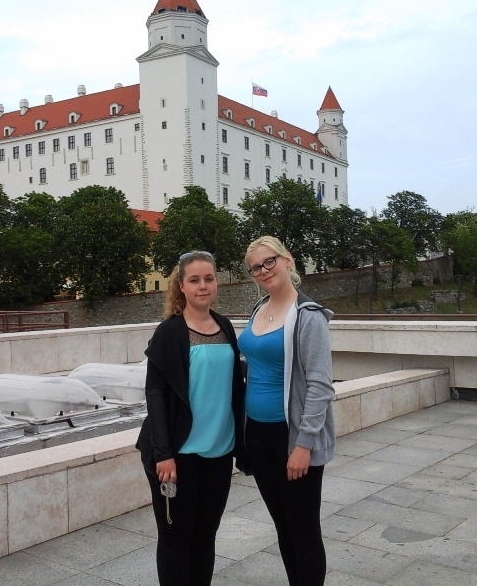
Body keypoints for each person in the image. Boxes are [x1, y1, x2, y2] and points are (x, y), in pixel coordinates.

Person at [136, 250, 246, 586]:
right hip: (178, 454)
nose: (203, 286)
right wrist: (163, 454)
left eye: (209, 279)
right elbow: (155, 394)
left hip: (218, 452)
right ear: (181, 286)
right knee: (175, 538)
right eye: (194, 280)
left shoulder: (225, 326)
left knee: (205, 535)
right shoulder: (169, 332)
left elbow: (235, 388)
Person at [237, 236, 335, 586]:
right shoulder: (259, 309)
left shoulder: (308, 316)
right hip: (257, 435)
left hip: (291, 436)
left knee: (304, 529)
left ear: (287, 260)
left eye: (270, 261)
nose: (264, 270)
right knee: (282, 525)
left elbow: (321, 387)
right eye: (256, 267)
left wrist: (303, 445)